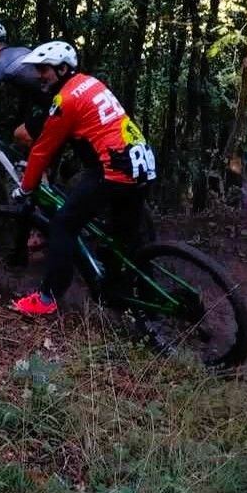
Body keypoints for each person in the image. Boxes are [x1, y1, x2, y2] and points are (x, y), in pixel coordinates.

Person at [11, 40, 157, 318]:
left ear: (63, 69)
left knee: (63, 225)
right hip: (143, 164)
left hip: (114, 169)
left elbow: (41, 150)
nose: (40, 75)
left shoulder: (65, 99)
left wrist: (26, 187)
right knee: (126, 240)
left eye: (44, 69)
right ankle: (137, 301)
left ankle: (47, 298)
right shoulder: (90, 83)